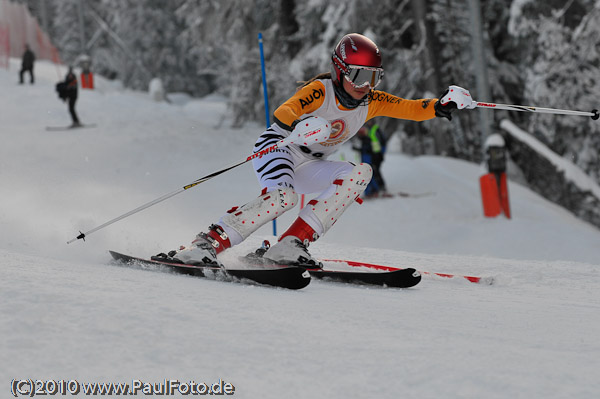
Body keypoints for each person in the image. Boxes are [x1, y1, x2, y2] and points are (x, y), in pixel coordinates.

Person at [161, 33, 469, 267]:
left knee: (360, 172)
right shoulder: (320, 91)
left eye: (373, 77)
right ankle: (206, 244)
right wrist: (299, 128)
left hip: (311, 163)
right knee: (283, 197)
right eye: (358, 76)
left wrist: (441, 105)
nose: (365, 85)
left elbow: (412, 109)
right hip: (278, 149)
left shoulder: (371, 101)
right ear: (340, 70)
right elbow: (286, 111)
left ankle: (291, 244)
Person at [353, 120, 387, 197]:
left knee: (375, 172)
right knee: (374, 172)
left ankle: (379, 188)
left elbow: (382, 142)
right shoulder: (369, 130)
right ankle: (377, 188)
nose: (369, 123)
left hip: (376, 154)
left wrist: (381, 153)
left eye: (370, 122)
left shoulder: (375, 129)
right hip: (372, 154)